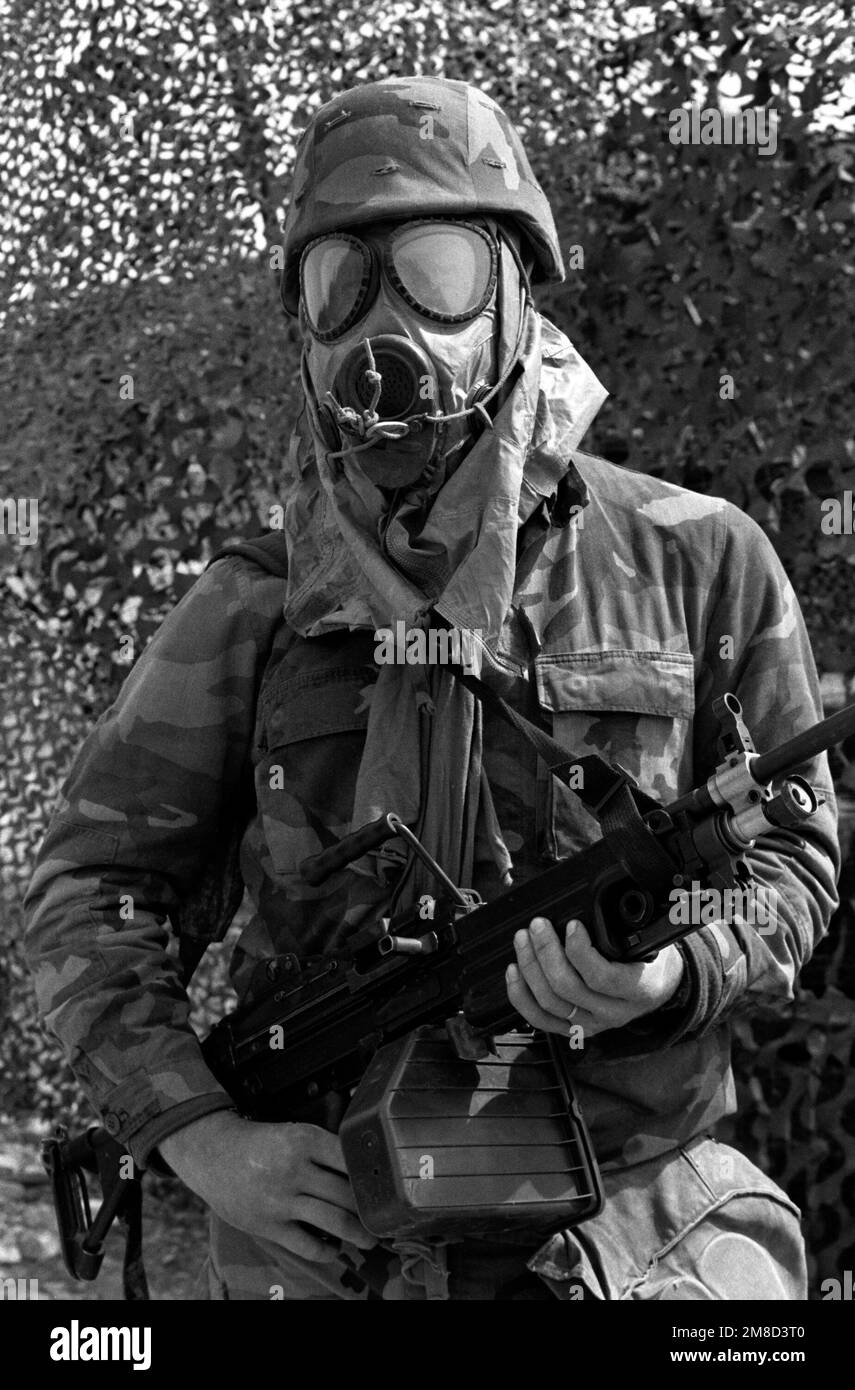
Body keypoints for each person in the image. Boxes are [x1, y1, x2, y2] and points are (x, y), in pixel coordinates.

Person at [24, 76, 839, 1301]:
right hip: (335, 1234)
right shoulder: (255, 602)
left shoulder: (698, 559)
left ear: (514, 292)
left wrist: (674, 972)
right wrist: (203, 1138)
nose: (382, 325)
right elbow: (90, 888)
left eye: (436, 271)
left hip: (636, 1217)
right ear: (302, 328)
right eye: (339, 285)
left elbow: (796, 859)